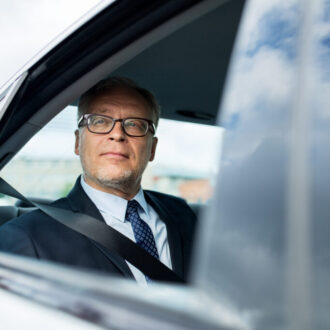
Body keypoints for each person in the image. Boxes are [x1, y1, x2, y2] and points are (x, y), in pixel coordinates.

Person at [0, 77, 197, 284]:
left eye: (135, 125)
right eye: (100, 121)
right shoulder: (26, 236)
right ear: (78, 142)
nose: (118, 134)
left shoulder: (182, 214)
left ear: (152, 149)